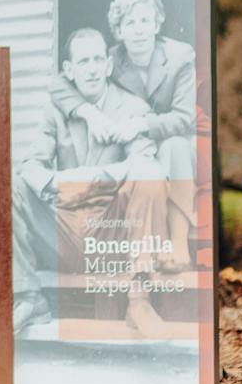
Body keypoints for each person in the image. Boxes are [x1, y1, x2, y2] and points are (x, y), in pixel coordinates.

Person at [12, 28, 170, 337]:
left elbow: (146, 165)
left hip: (113, 234)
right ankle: (30, 297)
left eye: (99, 59)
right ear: (69, 70)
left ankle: (139, 301)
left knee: (150, 178)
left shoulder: (133, 109)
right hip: (66, 231)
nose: (93, 68)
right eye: (84, 61)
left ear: (109, 65)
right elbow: (30, 166)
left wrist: (90, 179)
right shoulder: (55, 112)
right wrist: (57, 184)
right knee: (13, 185)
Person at [49, 0, 199, 267]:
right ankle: (146, 243)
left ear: (158, 23)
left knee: (175, 149)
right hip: (130, 141)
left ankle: (177, 243)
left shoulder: (180, 57)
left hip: (171, 136)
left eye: (145, 20)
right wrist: (88, 113)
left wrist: (142, 124)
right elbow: (58, 83)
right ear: (118, 30)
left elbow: (184, 117)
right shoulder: (111, 59)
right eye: (129, 23)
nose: (139, 30)